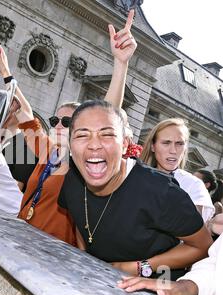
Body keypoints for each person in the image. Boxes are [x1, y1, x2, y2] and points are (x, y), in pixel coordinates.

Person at [0, 9, 138, 245]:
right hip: (19, 238)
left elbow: (106, 116)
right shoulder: (48, 152)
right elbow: (23, 111)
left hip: (53, 254)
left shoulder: (85, 165)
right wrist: (6, 73)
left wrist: (120, 65)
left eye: (68, 122)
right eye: (55, 120)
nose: (59, 125)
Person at [58, 100, 213, 280]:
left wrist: (138, 267)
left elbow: (202, 246)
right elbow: (81, 219)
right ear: (70, 143)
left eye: (107, 134)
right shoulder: (72, 179)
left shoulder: (160, 190)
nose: (94, 145)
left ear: (124, 144)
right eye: (82, 135)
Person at [140, 119, 215, 223]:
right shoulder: (135, 175)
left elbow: (195, 231)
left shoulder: (194, 185)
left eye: (179, 143)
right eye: (166, 143)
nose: (173, 151)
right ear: (153, 146)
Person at [117, 234, 223, 295]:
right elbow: (216, 263)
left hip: (162, 272)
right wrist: (189, 286)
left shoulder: (166, 199)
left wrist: (141, 267)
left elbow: (201, 247)